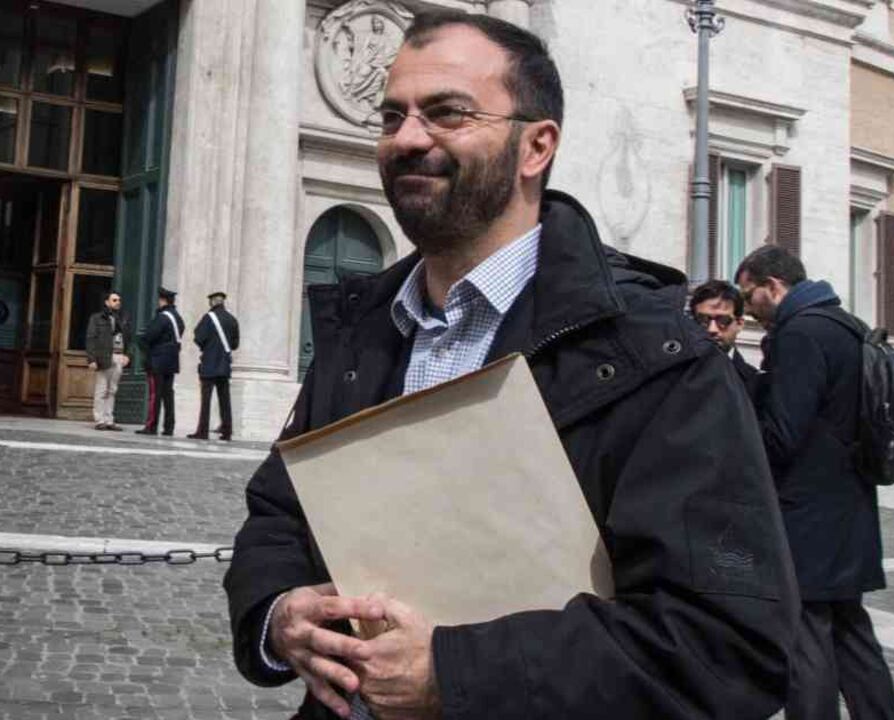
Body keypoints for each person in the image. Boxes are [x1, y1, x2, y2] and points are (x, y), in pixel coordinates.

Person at [224, 11, 797, 720]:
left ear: (537, 146)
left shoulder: (657, 355)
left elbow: (727, 646)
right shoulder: (359, 328)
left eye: (447, 113)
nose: (407, 139)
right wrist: (280, 613)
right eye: (392, 115)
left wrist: (454, 674)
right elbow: (279, 509)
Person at [734, 244, 894, 720]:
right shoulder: (844, 325)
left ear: (774, 286)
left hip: (807, 516)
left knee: (805, 635)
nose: (749, 311)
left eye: (751, 298)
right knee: (852, 633)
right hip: (849, 508)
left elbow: (783, 433)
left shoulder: (801, 334)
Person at [188, 291, 240, 441]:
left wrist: (208, 347)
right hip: (224, 364)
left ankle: (202, 431)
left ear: (212, 302)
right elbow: (235, 344)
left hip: (209, 363)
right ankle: (227, 431)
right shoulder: (232, 319)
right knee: (225, 399)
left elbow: (198, 338)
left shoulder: (208, 318)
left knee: (206, 400)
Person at [689, 279, 758, 391]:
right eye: (703, 320)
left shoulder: (757, 383)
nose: (712, 329)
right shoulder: (673, 375)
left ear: (739, 324)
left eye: (723, 320)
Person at [136, 287, 185, 436]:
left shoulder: (162, 317)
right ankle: (169, 427)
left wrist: (143, 346)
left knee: (155, 394)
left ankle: (151, 426)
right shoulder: (178, 318)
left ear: (162, 300)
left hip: (158, 360)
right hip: (172, 360)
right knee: (168, 394)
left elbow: (149, 336)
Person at [85, 291, 131, 431]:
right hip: (103, 356)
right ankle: (100, 420)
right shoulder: (97, 318)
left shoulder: (123, 318)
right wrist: (91, 359)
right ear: (107, 302)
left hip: (118, 356)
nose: (118, 302)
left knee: (112, 390)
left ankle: (109, 420)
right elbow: (91, 338)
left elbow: (128, 338)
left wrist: (128, 355)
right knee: (101, 389)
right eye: (114, 300)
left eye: (119, 300)